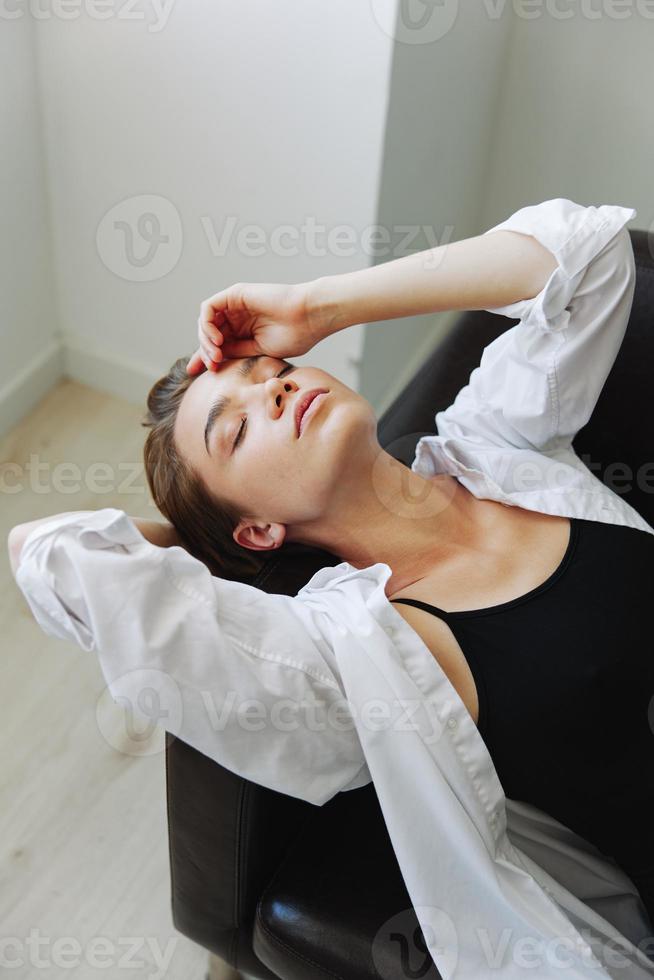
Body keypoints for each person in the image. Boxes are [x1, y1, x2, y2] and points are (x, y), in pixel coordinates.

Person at [9, 198, 654, 978]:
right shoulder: (362, 651)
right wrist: (207, 540)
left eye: (273, 372)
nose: (272, 393)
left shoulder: (494, 441)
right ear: (258, 530)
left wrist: (317, 305)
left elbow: (587, 255)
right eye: (237, 430)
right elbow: (53, 554)